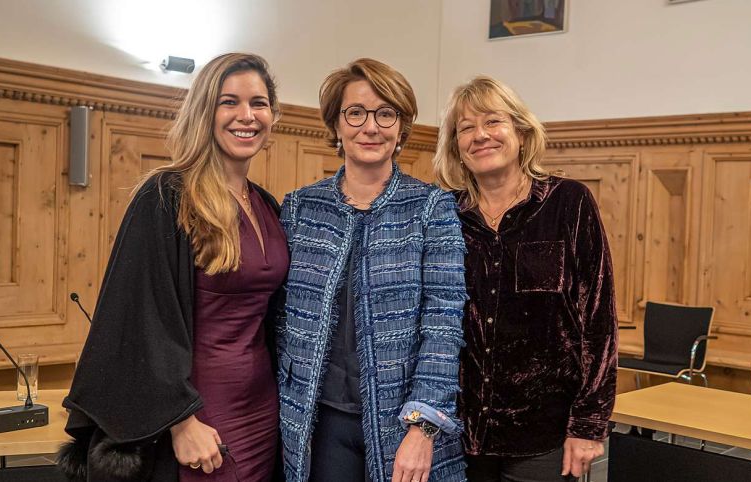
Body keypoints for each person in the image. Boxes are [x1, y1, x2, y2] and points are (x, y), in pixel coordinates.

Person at [58, 53, 287, 482]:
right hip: (199, 414)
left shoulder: (268, 206)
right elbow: (134, 319)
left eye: (258, 103)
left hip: (263, 409)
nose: (247, 116)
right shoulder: (167, 196)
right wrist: (181, 420)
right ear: (205, 111)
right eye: (229, 102)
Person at [277, 58, 467, 482]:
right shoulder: (300, 208)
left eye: (386, 114)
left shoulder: (431, 209)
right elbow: (277, 319)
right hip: (317, 422)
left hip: (404, 423)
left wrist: (424, 425)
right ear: (336, 125)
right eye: (356, 113)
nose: (371, 127)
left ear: (401, 128)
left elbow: (444, 323)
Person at [432, 75, 618, 482]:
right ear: (456, 148)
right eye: (466, 128)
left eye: (493, 122)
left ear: (520, 131)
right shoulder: (443, 214)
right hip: (458, 433)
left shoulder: (569, 202)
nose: (481, 135)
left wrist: (588, 424)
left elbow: (598, 322)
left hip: (544, 434)